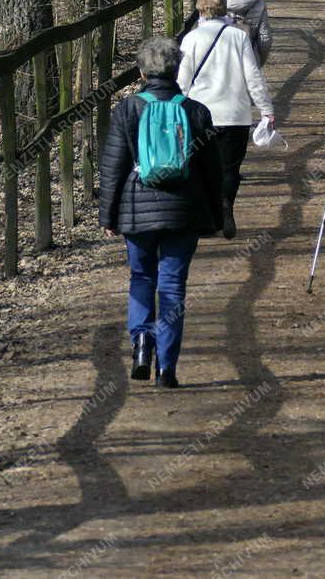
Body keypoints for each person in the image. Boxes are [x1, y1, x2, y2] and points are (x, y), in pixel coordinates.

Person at [99, 36, 223, 387]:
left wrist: (108, 215)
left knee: (141, 278)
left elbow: (113, 167)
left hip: (137, 209)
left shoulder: (126, 110)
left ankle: (141, 342)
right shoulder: (196, 111)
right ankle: (167, 369)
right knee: (173, 285)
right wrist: (217, 214)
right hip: (184, 210)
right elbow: (213, 172)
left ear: (141, 72)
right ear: (177, 68)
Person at [177, 0, 274, 240]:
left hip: (200, 115)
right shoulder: (238, 37)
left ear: (200, 10)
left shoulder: (191, 39)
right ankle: (226, 206)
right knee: (230, 167)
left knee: (202, 165)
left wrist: (175, 109)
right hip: (235, 114)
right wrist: (265, 108)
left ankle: (209, 217)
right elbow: (253, 76)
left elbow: (183, 81)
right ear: (224, 10)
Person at [217, 0, 273, 64]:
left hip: (218, 59)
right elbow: (265, 39)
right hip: (247, 59)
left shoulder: (212, 0)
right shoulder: (258, 3)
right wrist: (259, 61)